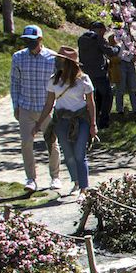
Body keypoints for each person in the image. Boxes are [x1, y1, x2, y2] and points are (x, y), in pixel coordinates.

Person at [9, 26, 59, 192]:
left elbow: (59, 84)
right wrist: (16, 105)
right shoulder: (18, 57)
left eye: (32, 40)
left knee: (51, 143)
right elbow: (15, 83)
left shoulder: (52, 58)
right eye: (26, 41)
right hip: (26, 107)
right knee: (26, 144)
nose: (28, 44)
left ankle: (55, 177)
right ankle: (31, 179)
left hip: (47, 109)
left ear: (40, 40)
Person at [45, 47, 98, 194]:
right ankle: (76, 181)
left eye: (60, 59)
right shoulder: (53, 81)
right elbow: (49, 104)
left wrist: (93, 124)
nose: (56, 62)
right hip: (62, 121)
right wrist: (39, 123)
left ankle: (84, 188)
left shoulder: (83, 80)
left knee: (80, 154)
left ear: (68, 63)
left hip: (80, 120)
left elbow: (90, 103)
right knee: (68, 154)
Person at [75, 21, 113, 132]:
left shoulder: (81, 39)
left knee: (91, 97)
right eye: (103, 31)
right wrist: (117, 48)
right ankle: (103, 121)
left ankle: (91, 120)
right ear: (100, 30)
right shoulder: (97, 39)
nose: (104, 33)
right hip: (99, 74)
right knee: (107, 95)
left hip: (85, 74)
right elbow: (110, 52)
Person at [112, 31, 136, 115]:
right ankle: (119, 110)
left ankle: (135, 109)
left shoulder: (131, 39)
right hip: (121, 63)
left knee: (133, 87)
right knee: (120, 88)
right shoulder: (118, 39)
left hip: (130, 63)